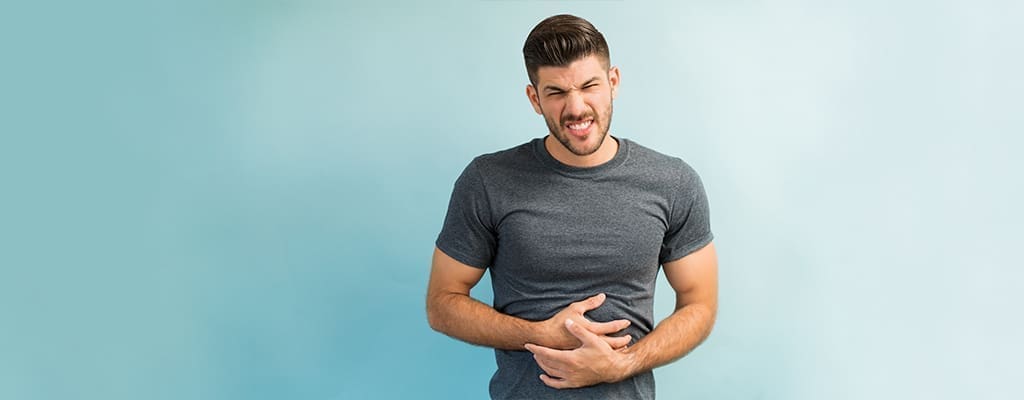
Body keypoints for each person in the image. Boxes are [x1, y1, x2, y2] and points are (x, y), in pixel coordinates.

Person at [426, 14, 718, 400]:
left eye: (589, 86)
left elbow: (699, 304)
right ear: (534, 99)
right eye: (557, 92)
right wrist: (537, 334)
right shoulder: (487, 180)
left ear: (613, 82)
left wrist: (624, 363)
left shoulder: (673, 182)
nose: (576, 107)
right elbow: (442, 303)